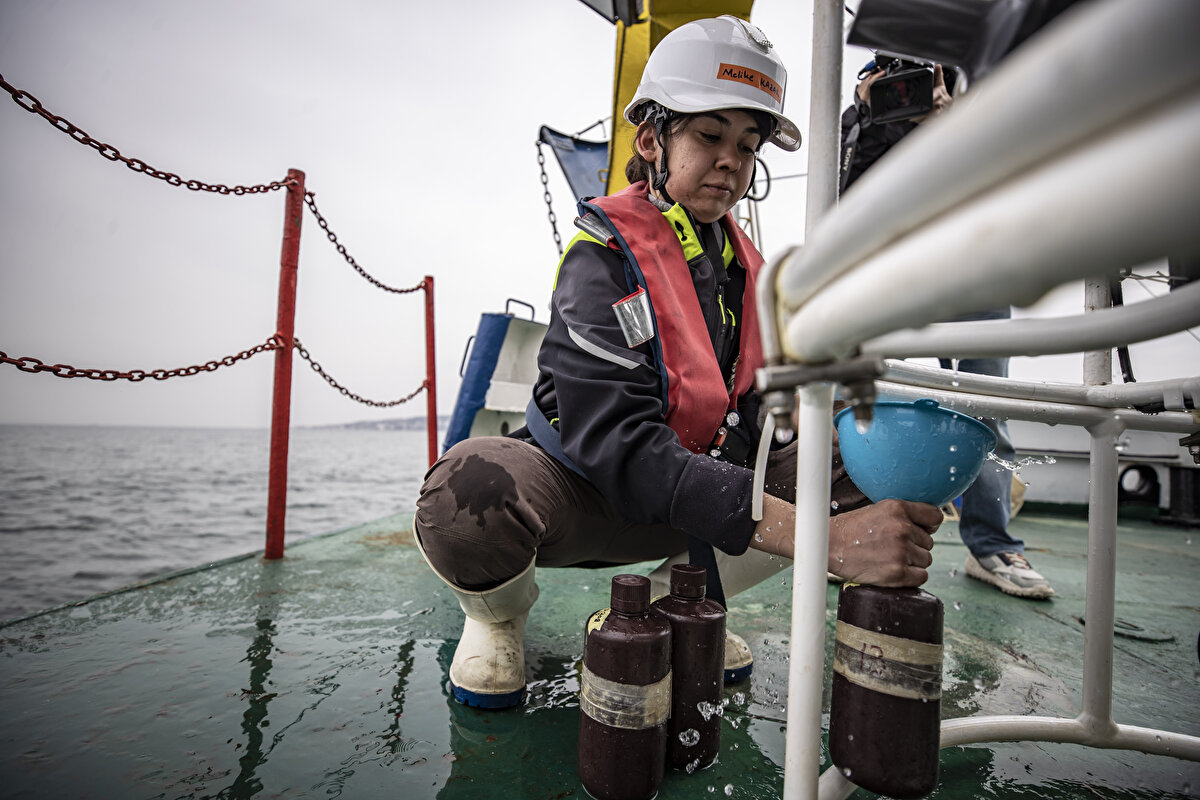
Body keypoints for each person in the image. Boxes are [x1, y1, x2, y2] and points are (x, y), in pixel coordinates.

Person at [414, 16, 944, 710]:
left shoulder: (753, 278)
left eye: (747, 146)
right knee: (464, 494)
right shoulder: (599, 262)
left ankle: (678, 596)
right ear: (652, 140)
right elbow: (622, 450)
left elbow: (760, 422)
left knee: (858, 451)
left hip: (694, 501)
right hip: (581, 491)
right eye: (710, 135)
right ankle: (496, 619)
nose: (731, 160)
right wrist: (826, 541)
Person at [839, 60, 1055, 600]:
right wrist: (869, 118)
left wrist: (955, 125)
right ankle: (855, 532)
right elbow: (843, 195)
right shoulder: (871, 106)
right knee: (865, 396)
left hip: (970, 265)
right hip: (887, 272)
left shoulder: (979, 97)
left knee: (986, 398)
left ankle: (992, 543)